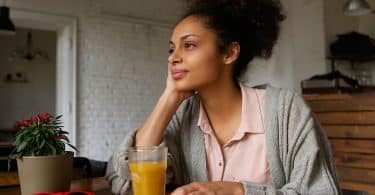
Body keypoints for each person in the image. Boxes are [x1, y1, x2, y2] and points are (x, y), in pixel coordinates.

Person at [105, 0, 341, 194]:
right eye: (171, 49)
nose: (173, 57)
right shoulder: (183, 116)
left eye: (189, 45)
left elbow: (321, 191)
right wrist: (170, 95)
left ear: (229, 53)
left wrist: (237, 191)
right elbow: (125, 180)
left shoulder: (285, 111)